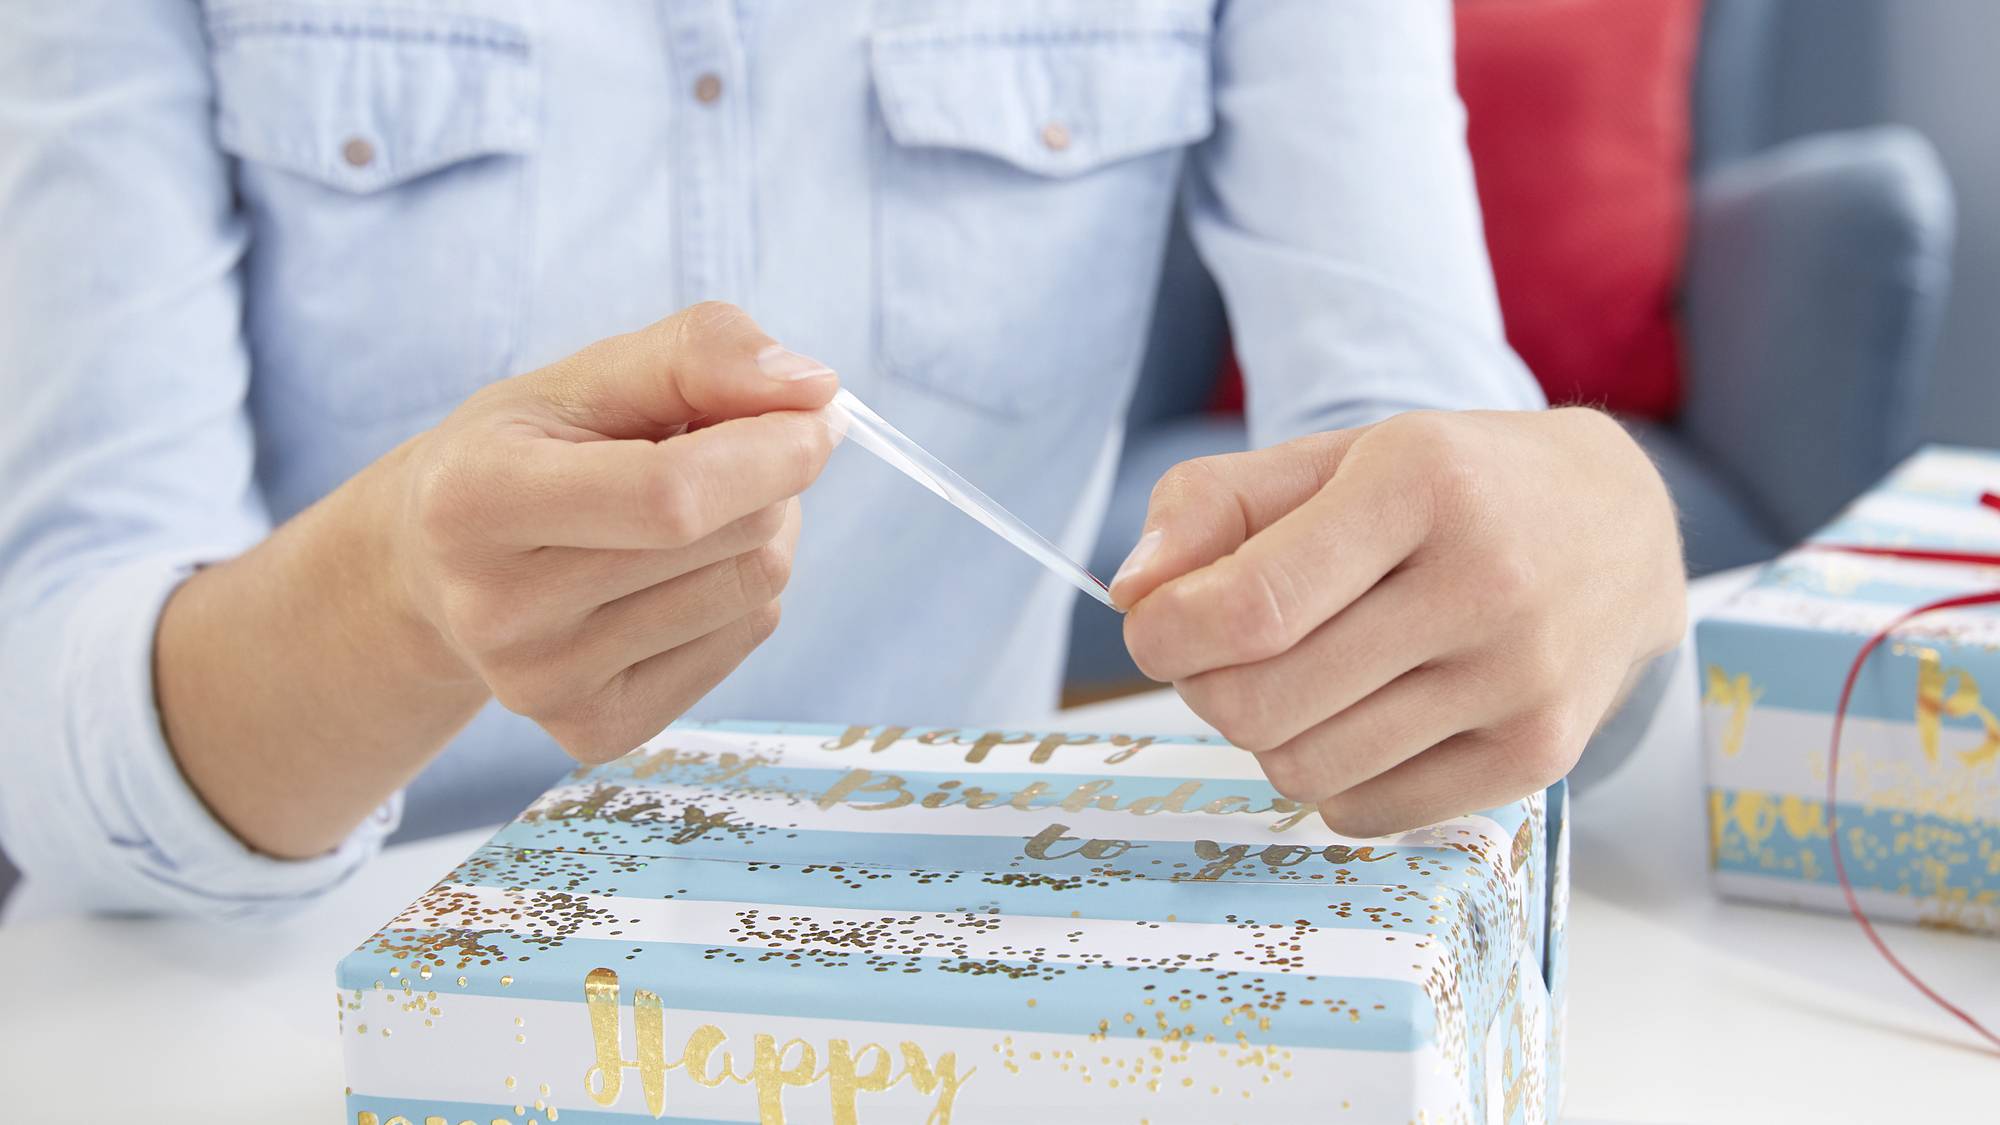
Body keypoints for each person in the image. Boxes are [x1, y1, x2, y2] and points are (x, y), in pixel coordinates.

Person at [0, 0, 1684, 917]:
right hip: (318, 994)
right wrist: (400, 593)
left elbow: (1442, 474)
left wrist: (1584, 554)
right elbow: (54, 729)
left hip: (983, 974)